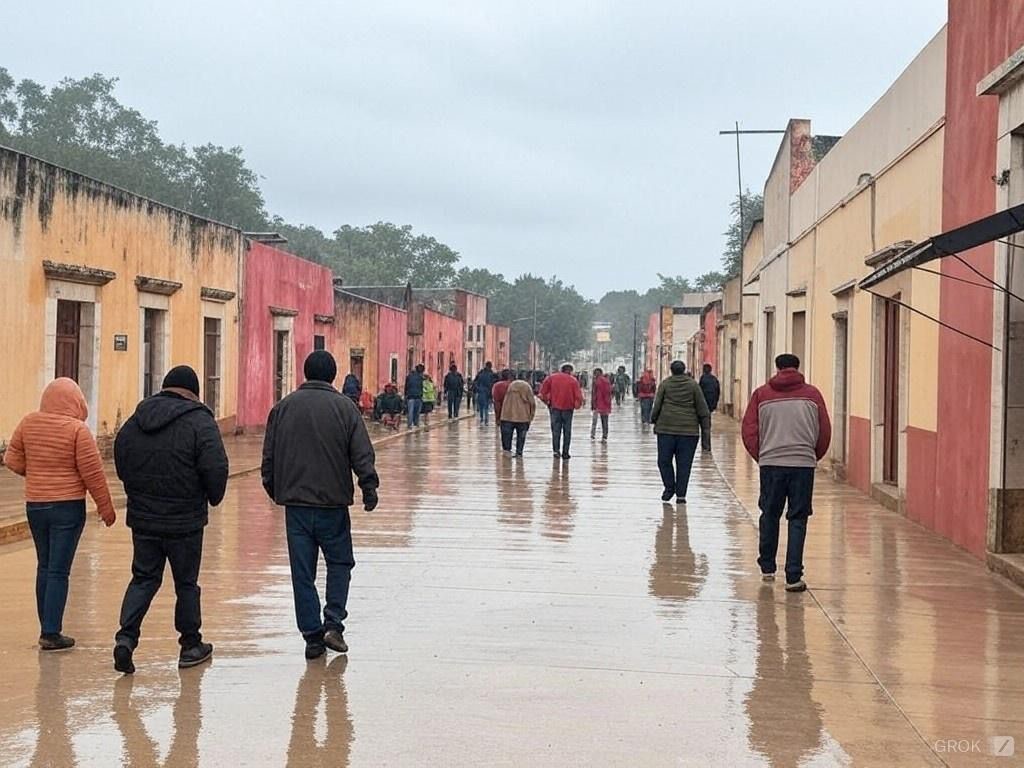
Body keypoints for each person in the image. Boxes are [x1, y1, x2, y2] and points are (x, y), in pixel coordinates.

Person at [262, 351, 379, 659]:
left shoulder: (282, 408)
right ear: (333, 375)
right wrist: (368, 486)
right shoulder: (346, 408)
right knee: (340, 563)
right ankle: (334, 624)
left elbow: (269, 458)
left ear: (305, 372)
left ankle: (312, 636)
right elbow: (362, 453)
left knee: (302, 572)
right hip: (333, 506)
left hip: (296, 508)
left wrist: (275, 490)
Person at [113, 365, 229, 673]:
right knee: (186, 584)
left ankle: (125, 639)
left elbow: (121, 455)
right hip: (185, 521)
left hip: (144, 519)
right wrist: (212, 497)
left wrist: (136, 491)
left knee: (144, 578)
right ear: (193, 392)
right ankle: (190, 645)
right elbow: (216, 467)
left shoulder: (137, 419)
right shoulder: (199, 421)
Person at [2, 378, 117, 651]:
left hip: (36, 505)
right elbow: (93, 474)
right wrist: (106, 508)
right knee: (58, 570)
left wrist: (36, 475)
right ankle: (51, 633)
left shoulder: (28, 423)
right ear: (76, 402)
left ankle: (46, 627)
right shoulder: (77, 430)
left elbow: (11, 458)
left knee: (44, 566)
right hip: (67, 507)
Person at [742, 354, 831, 593]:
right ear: (797, 367)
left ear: (777, 368)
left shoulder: (761, 395)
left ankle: (768, 567)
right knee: (798, 518)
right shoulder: (813, 395)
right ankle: (793, 576)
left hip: (771, 464)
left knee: (769, 514)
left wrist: (762, 457)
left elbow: (749, 431)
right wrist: (811, 456)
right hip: (803, 465)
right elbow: (824, 432)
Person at [651, 361, 709, 505]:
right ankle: (681, 494)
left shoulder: (665, 384)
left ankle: (669, 487)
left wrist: (653, 419)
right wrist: (705, 432)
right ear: (684, 370)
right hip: (689, 432)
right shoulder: (693, 385)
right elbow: (702, 408)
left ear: (671, 370)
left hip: (666, 430)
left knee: (663, 461)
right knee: (684, 464)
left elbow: (657, 404)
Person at [539, 364, 584, 460]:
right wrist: (577, 406)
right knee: (567, 431)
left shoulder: (551, 378)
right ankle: (565, 452)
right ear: (570, 371)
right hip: (568, 409)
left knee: (556, 430)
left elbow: (541, 394)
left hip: (554, 408)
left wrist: (548, 403)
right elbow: (579, 397)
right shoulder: (573, 381)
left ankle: (556, 451)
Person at [500, 375, 537, 457]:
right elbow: (532, 403)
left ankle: (507, 454)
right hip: (523, 417)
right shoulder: (527, 387)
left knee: (506, 436)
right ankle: (519, 453)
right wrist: (531, 417)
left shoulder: (510, 386)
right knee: (521, 437)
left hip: (507, 416)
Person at [699, 363, 722, 453]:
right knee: (706, 427)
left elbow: (699, 392)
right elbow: (718, 392)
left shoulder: (703, 379)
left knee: (704, 427)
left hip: (703, 405)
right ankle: (707, 446)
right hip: (710, 406)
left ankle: (705, 446)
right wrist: (715, 404)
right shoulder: (715, 379)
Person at [590, 367, 612, 441]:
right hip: (604, 404)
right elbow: (608, 393)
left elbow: (594, 394)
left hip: (598, 403)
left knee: (595, 420)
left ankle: (593, 435)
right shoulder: (605, 381)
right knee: (604, 421)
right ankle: (604, 436)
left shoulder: (597, 381)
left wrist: (593, 404)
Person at [404, 364, 425, 428]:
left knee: (410, 411)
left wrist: (405, 395)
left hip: (410, 396)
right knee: (416, 412)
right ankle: (416, 424)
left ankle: (409, 425)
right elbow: (422, 387)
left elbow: (406, 387)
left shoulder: (409, 376)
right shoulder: (421, 377)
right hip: (418, 396)